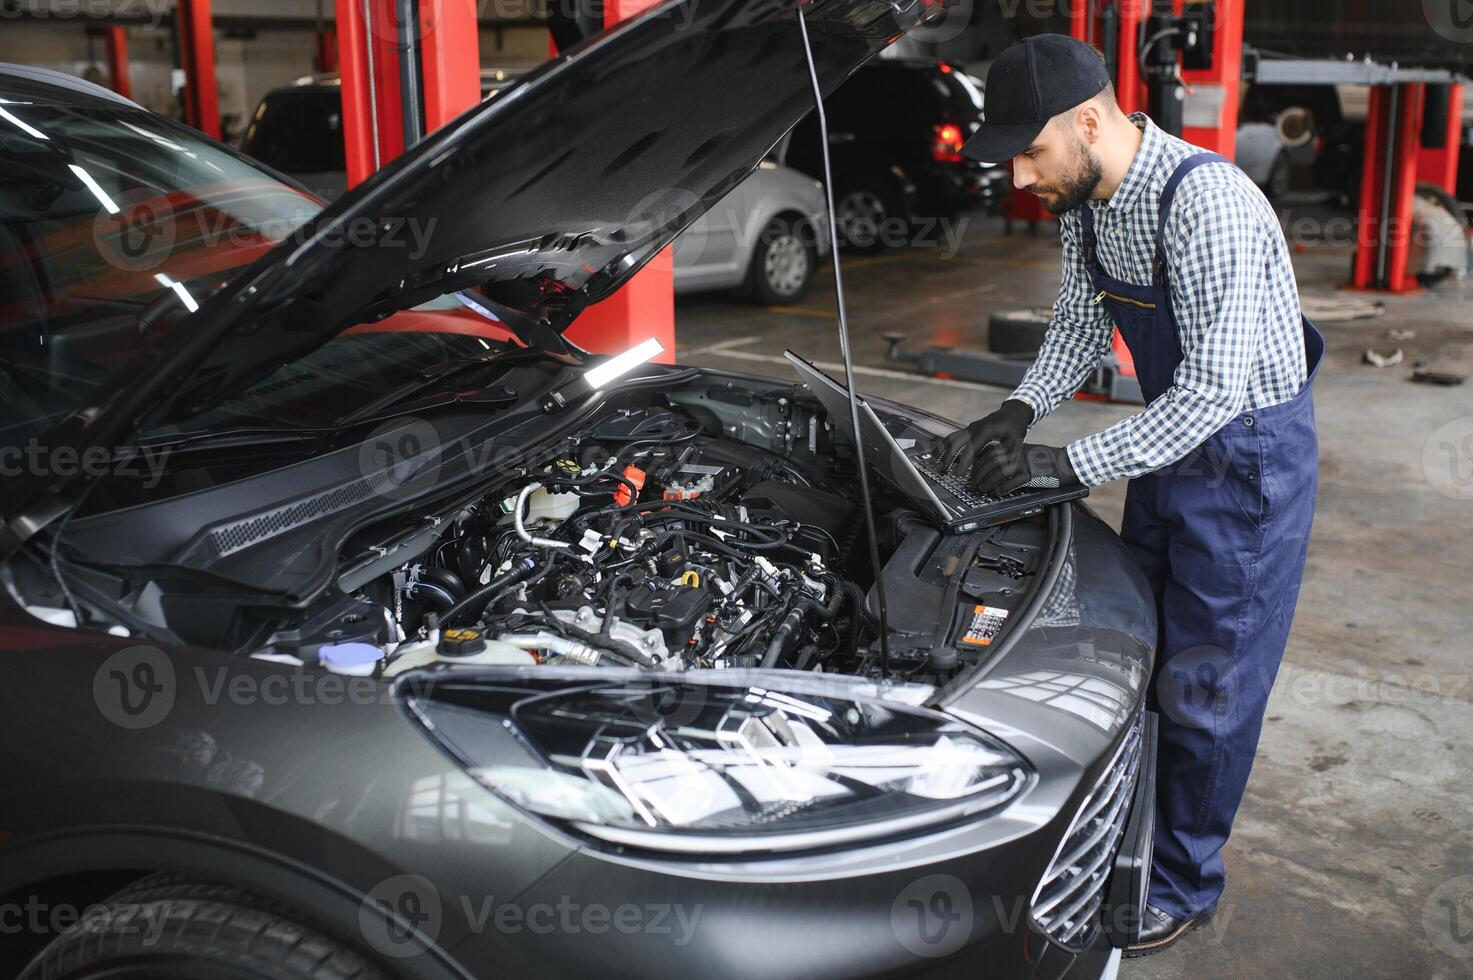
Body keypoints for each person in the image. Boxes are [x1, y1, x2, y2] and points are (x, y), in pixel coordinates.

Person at [942, 34, 1322, 956]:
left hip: (1245, 460)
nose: (1023, 177)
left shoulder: (1209, 204)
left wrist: (1067, 467)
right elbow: (1080, 322)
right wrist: (1018, 412)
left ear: (1088, 119)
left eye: (1031, 153)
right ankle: (1121, 832)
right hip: (1167, 442)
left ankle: (1186, 881)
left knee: (1208, 683)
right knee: (1140, 651)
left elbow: (1212, 394)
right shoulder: (1086, 201)